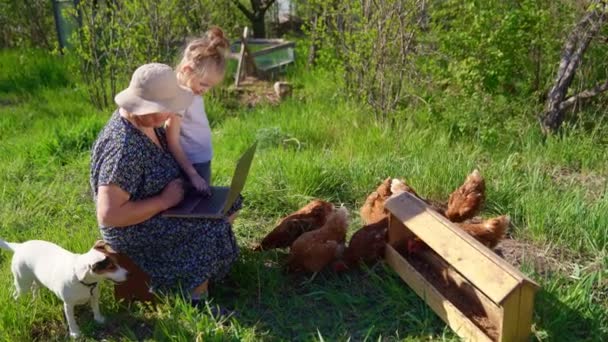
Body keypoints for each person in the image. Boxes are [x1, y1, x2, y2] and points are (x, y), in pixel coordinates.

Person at [90, 62, 241, 311]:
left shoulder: (145, 122)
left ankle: (201, 268)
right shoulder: (123, 148)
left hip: (164, 207)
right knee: (212, 229)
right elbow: (109, 215)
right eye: (167, 109)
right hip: (135, 229)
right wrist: (164, 201)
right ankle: (194, 298)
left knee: (229, 202)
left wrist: (186, 183)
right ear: (147, 107)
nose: (172, 113)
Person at [166, 27, 229, 195]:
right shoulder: (180, 96)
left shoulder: (191, 91)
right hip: (190, 165)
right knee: (196, 209)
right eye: (204, 84)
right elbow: (172, 140)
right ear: (187, 70)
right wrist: (193, 175)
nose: (205, 90)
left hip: (200, 160)